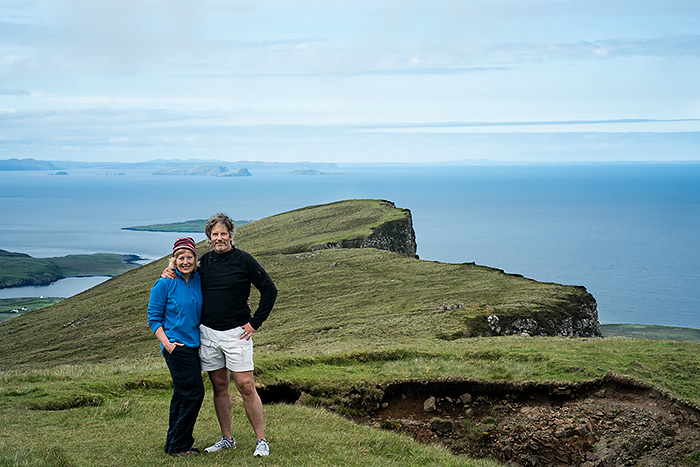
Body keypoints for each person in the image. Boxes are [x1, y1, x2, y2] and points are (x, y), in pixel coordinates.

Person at [163, 213, 277, 457]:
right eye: (215, 234)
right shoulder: (204, 262)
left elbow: (269, 289)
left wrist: (255, 322)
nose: (219, 238)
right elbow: (185, 274)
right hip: (209, 334)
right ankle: (227, 438)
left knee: (246, 385)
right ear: (209, 238)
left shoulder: (244, 260)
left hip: (237, 334)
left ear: (231, 235)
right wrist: (168, 271)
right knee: (219, 385)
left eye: (223, 233)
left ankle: (261, 440)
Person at [147, 237, 205, 457]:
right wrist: (168, 344)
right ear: (174, 260)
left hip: (194, 346)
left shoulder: (199, 279)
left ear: (195, 259)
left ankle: (173, 443)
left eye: (189, 257)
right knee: (194, 393)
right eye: (181, 257)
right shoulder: (164, 283)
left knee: (182, 394)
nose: (185, 261)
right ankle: (180, 445)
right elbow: (153, 318)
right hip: (177, 347)